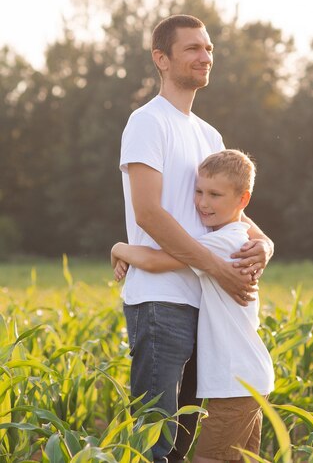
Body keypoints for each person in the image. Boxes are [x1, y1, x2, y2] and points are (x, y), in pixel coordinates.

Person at [118, 14, 274, 463]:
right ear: (161, 59)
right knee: (155, 440)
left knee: (184, 438)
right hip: (160, 300)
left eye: (208, 49)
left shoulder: (209, 134)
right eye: (192, 49)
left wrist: (263, 246)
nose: (205, 57)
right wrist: (217, 267)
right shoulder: (147, 122)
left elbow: (234, 213)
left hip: (204, 305)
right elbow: (149, 212)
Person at [112, 149, 275, 462]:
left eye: (214, 194)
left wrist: (119, 247)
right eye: (198, 192)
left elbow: (154, 260)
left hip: (236, 382)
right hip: (247, 377)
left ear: (243, 200)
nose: (203, 202)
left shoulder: (226, 241)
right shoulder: (231, 236)